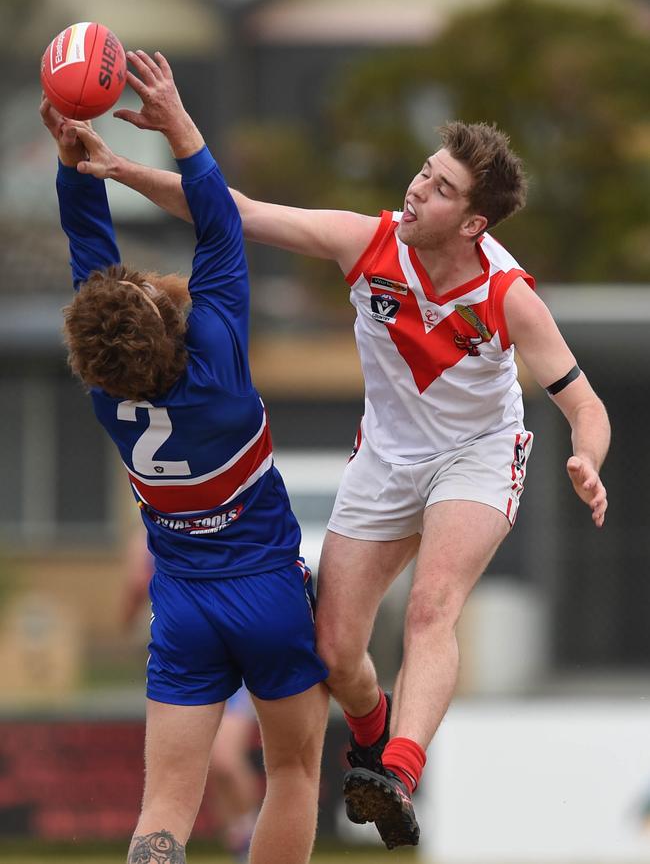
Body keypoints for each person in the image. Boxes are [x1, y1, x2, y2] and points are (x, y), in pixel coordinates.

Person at [87, 74, 611, 849]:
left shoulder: (508, 296)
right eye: (424, 172)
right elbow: (237, 212)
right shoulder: (367, 243)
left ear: (472, 223)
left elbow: (584, 402)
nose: (418, 189)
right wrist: (123, 170)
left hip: (476, 456)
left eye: (440, 190)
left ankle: (398, 767)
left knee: (434, 605)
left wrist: (588, 458)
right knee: (333, 651)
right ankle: (373, 734)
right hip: (387, 459)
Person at [40, 49, 329, 864]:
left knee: (164, 804)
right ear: (166, 320)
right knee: (294, 771)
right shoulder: (217, 353)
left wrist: (75, 171)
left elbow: (90, 259)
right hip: (269, 594)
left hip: (185, 611)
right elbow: (219, 222)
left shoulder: (107, 390)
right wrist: (177, 122)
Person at [120, 528, 262, 863]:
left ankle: (250, 834)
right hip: (182, 663)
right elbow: (133, 593)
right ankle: (238, 838)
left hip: (232, 658)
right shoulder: (142, 541)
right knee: (197, 767)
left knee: (225, 759)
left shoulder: (221, 521)